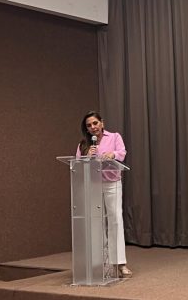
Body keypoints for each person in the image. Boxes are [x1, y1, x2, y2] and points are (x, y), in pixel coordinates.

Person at [75, 111, 132, 278]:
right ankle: (100, 262)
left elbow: (122, 152)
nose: (93, 127)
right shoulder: (84, 144)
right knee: (96, 222)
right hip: (93, 185)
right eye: (89, 125)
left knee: (115, 220)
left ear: (102, 123)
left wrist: (113, 154)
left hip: (112, 183)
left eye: (95, 123)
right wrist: (87, 156)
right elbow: (77, 164)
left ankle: (120, 263)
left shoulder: (114, 137)